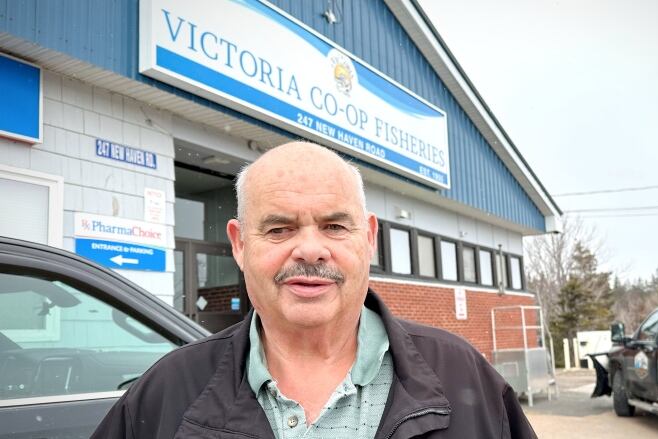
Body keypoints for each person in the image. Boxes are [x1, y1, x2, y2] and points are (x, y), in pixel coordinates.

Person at [92, 141, 537, 438]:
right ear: (240, 244)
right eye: (280, 229)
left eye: (334, 226)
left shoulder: (466, 379)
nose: (310, 249)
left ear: (368, 238)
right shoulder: (165, 393)